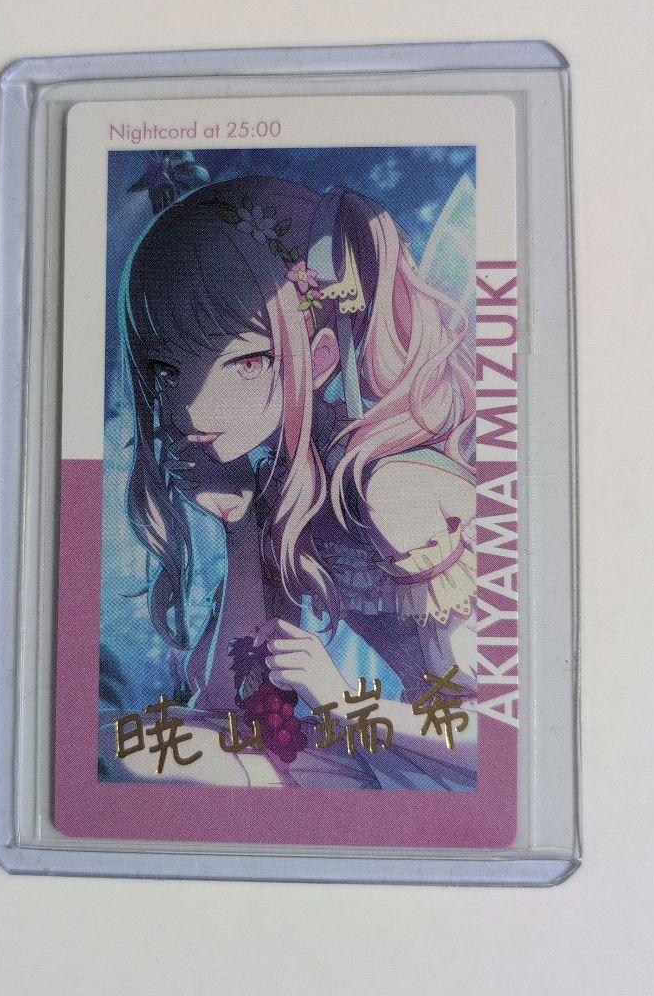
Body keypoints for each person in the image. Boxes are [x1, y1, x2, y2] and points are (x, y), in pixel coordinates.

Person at [102, 174, 478, 789]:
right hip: (381, 753)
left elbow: (501, 741)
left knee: (153, 759)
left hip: (445, 777)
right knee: (132, 745)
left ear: (321, 358)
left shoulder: (394, 489)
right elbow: (229, 702)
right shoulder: (287, 483)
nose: (190, 407)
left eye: (244, 362)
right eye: (167, 369)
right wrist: (241, 527)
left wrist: (341, 702)